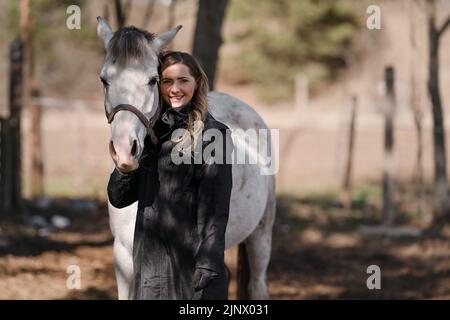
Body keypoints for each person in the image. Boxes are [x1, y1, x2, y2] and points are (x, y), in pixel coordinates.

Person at [107, 51, 233, 300]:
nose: (175, 89)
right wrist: (124, 170)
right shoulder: (148, 136)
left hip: (192, 265)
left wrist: (208, 261)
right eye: (167, 81)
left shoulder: (214, 135)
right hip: (150, 268)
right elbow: (119, 199)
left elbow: (215, 208)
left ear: (197, 83)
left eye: (183, 80)